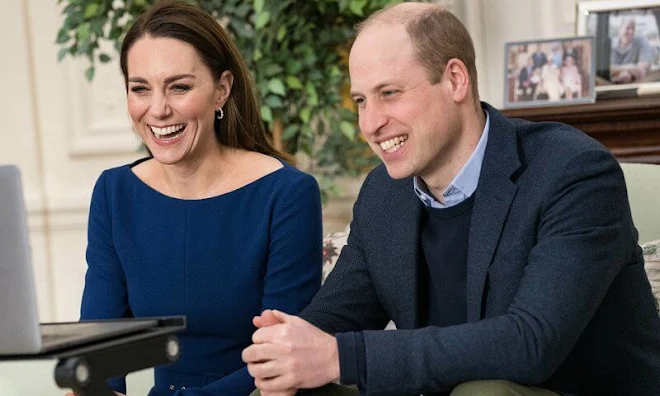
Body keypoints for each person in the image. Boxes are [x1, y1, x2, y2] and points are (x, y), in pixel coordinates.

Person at [242, 2, 660, 395]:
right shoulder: (384, 194)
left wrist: (341, 357)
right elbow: (334, 321)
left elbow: (530, 343)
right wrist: (287, 348)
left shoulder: (572, 172)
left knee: (485, 391)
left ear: (455, 80)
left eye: (389, 93)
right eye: (360, 101)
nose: (370, 124)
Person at [68, 1, 323, 395]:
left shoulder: (287, 193)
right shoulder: (114, 192)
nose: (158, 109)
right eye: (140, 89)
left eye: (179, 87)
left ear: (222, 89)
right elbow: (99, 353)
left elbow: (279, 360)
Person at [610, 17, 654, 84]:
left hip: (635, 84)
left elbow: (643, 67)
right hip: (611, 85)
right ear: (620, 29)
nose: (631, 31)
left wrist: (626, 72)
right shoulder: (610, 44)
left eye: (633, 28)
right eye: (627, 28)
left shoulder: (641, 41)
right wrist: (630, 68)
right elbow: (607, 70)